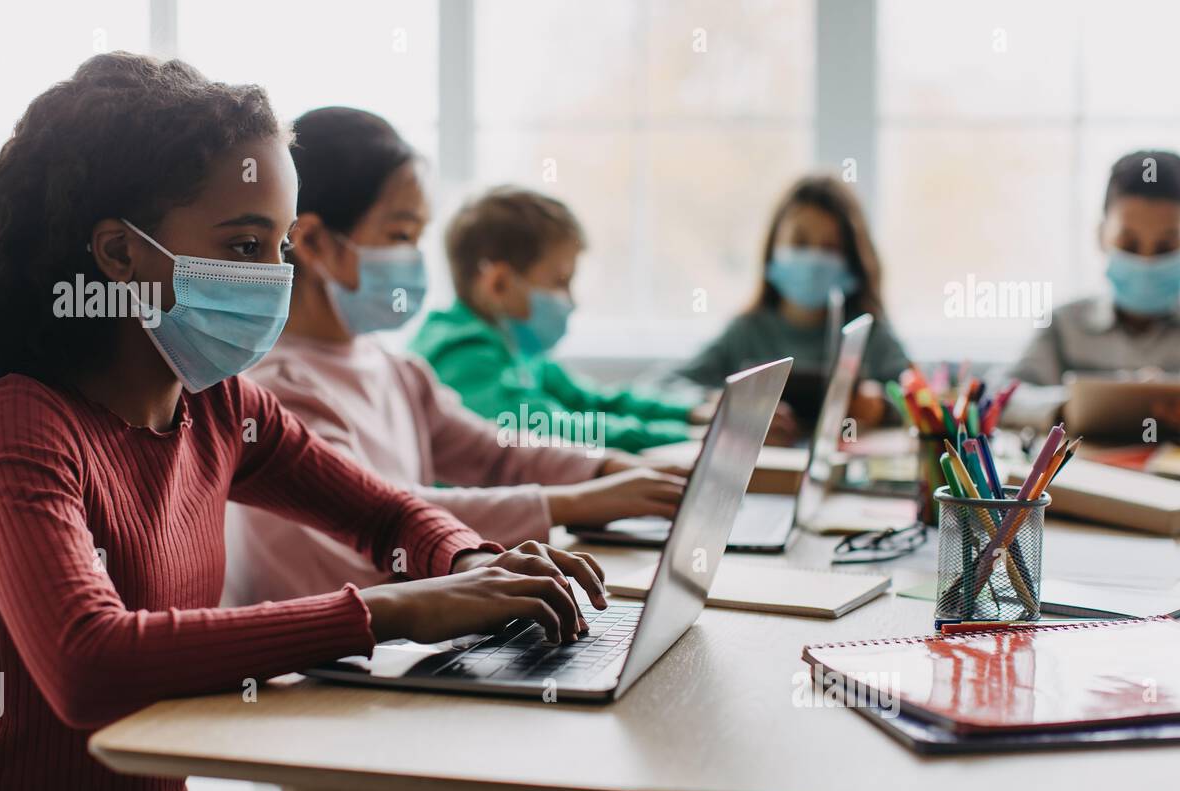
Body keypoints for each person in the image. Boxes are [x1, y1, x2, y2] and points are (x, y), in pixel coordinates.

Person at [0, 53, 605, 791]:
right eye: (243, 245)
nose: (273, 278)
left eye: (279, 247)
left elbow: (385, 514)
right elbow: (87, 663)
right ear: (119, 256)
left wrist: (479, 569)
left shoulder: (220, 406)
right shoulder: (18, 422)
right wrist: (398, 610)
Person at [233, 109, 684, 603]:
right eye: (401, 235)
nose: (416, 258)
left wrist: (608, 468)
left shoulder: (396, 369)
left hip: (414, 634)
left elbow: (495, 454)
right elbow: (380, 509)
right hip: (335, 662)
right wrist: (575, 502)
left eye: (420, 238)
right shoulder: (276, 386)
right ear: (316, 241)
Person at [410, 187, 708, 453]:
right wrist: (683, 436)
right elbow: (555, 431)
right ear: (499, 283)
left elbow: (590, 401)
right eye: (560, 281)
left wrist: (692, 413)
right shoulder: (462, 356)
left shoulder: (518, 350)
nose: (572, 301)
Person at [672, 175, 909, 443]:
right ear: (773, 248)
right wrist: (721, 403)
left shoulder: (870, 334)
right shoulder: (746, 331)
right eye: (800, 242)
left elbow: (921, 399)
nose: (814, 259)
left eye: (830, 247)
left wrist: (882, 405)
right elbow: (666, 387)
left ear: (851, 260)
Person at [1008, 149, 1180, 435]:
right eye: (1128, 244)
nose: (1146, 262)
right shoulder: (1064, 324)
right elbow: (1002, 397)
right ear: (1102, 237)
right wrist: (1069, 408)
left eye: (1165, 248)